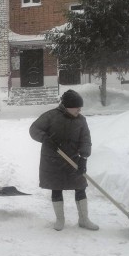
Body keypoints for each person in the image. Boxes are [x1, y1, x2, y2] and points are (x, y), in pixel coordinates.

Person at [29, 90, 98, 231]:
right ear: (67, 106)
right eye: (77, 107)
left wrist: (84, 158)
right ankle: (60, 220)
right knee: (56, 188)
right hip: (53, 160)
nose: (79, 110)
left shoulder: (81, 120)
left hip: (73, 160)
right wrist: (45, 139)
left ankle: (84, 219)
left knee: (80, 187)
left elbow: (85, 140)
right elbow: (34, 129)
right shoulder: (51, 116)